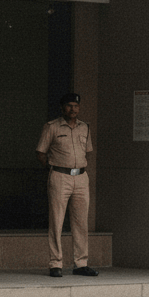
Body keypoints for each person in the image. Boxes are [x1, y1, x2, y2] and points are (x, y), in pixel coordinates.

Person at [36, 92, 97, 278]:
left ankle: (81, 263)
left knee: (81, 222)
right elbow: (41, 152)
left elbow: (87, 151)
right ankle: (56, 263)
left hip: (81, 177)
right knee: (56, 221)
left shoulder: (85, 127)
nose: (73, 109)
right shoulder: (52, 127)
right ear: (62, 108)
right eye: (69, 106)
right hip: (60, 176)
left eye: (76, 106)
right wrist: (53, 168)